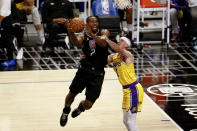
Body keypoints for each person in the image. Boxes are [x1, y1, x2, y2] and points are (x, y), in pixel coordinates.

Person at [60, 16, 109, 127]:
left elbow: (103, 44)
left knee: (89, 104)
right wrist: (70, 30)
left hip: (98, 73)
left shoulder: (104, 32)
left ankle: (81, 108)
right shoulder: (83, 36)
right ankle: (66, 110)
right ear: (86, 24)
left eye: (96, 21)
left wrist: (91, 35)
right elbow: (76, 43)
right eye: (91, 21)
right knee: (71, 94)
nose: (94, 23)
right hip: (84, 70)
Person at [102, 36, 144, 131]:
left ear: (126, 45)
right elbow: (102, 61)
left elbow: (118, 49)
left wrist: (107, 40)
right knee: (125, 120)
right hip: (126, 90)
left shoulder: (127, 55)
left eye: (121, 40)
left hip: (134, 89)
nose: (118, 41)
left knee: (131, 121)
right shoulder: (114, 57)